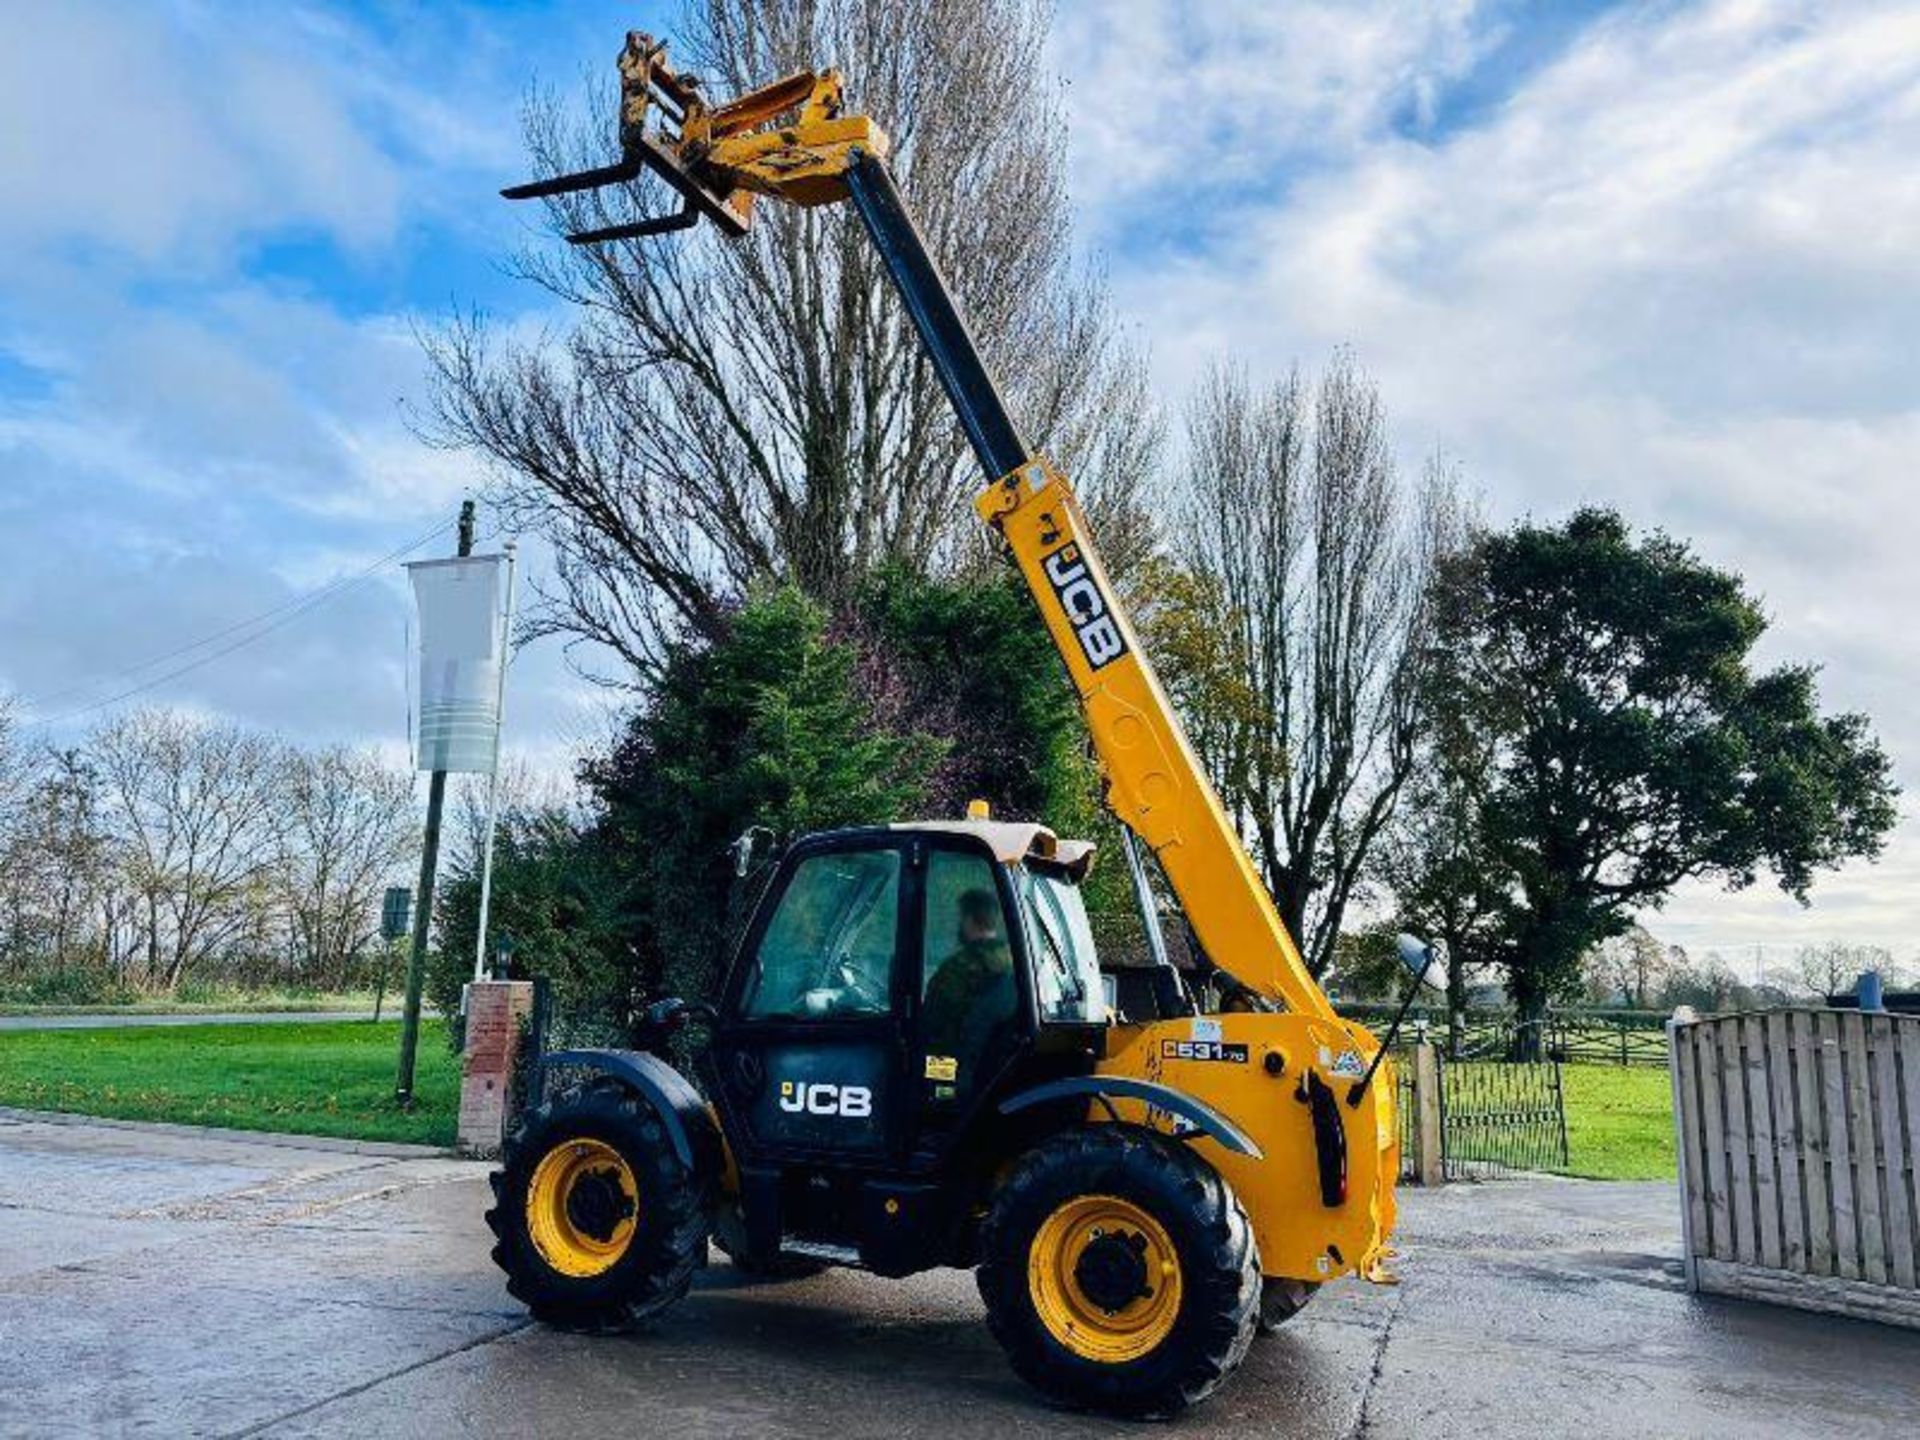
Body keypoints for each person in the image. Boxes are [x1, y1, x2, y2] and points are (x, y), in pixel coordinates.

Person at [921, 887, 1016, 1077]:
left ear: (969, 920)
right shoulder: (1014, 960)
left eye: (961, 918)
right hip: (995, 1065)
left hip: (955, 1066)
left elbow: (932, 1020)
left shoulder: (959, 967)